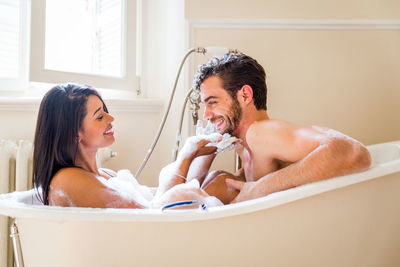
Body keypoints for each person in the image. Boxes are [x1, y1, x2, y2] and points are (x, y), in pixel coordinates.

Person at [192, 53, 372, 204]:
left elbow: (354, 152)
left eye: (212, 102)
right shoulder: (241, 141)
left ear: (245, 95)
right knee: (220, 179)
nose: (206, 115)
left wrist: (261, 187)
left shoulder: (261, 133)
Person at [32, 83, 220, 208]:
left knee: (217, 180)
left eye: (105, 111)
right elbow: (154, 216)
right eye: (99, 116)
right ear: (73, 134)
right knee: (218, 186)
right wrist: (185, 156)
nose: (111, 118)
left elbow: (158, 203)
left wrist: (203, 153)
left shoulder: (107, 175)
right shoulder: (68, 180)